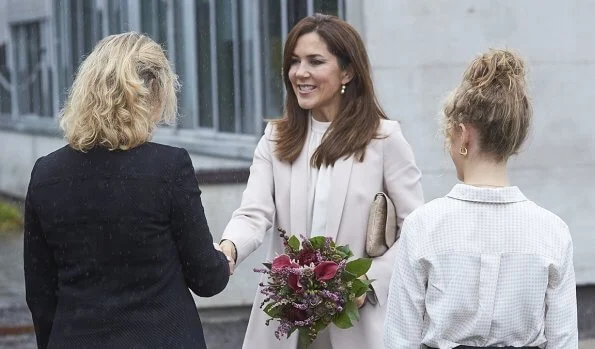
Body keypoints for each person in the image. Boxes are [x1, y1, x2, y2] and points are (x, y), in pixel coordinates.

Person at [219, 14, 424, 349]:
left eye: (315, 61)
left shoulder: (384, 139)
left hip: (361, 323)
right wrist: (228, 249)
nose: (300, 72)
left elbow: (416, 229)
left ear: (347, 71)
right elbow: (252, 215)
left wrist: (367, 280)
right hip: (286, 325)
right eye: (294, 62)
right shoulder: (275, 138)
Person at [23, 32, 230, 349]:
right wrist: (226, 254)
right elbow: (206, 278)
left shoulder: (46, 174)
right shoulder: (168, 168)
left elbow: (40, 292)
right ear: (155, 92)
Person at [384, 49, 578, 349]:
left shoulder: (423, 225)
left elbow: (400, 339)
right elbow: (563, 341)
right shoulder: (552, 230)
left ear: (463, 136)